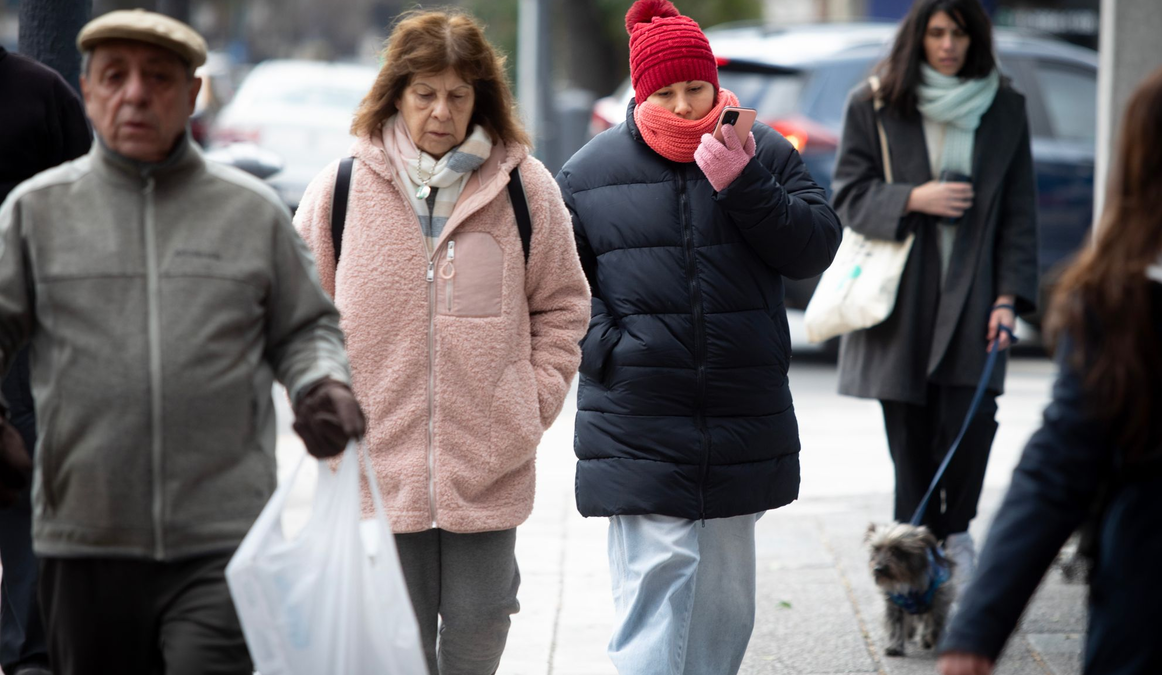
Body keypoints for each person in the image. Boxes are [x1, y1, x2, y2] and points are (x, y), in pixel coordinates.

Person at [0, 10, 365, 674]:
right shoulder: (35, 213)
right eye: (115, 77)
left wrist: (321, 382)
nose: (135, 94)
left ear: (193, 94)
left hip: (222, 542)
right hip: (85, 542)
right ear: (87, 91)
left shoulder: (250, 212)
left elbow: (306, 325)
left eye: (158, 78)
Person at [293, 9, 590, 674]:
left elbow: (565, 303)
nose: (440, 112)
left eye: (458, 95)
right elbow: (296, 312)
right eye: (424, 93)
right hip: (375, 461)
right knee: (394, 642)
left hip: (487, 458)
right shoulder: (339, 189)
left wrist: (532, 399)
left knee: (484, 619)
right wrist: (322, 398)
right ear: (395, 93)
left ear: (480, 99)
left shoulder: (525, 189)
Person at [556, 1, 841, 672]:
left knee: (723, 608)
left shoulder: (762, 148)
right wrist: (615, 350)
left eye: (697, 89)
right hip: (639, 417)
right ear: (640, 91)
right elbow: (560, 293)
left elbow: (813, 247)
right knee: (655, 592)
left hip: (740, 413)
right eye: (667, 92)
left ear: (716, 84)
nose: (685, 107)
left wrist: (744, 183)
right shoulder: (585, 174)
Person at [937, 58, 1162, 675]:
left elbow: (1059, 470)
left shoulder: (1124, 300)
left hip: (1159, 599)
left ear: (1143, 159)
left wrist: (975, 633)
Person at [831, 0, 1038, 579]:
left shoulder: (1004, 107)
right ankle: (913, 566)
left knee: (973, 422)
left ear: (977, 40)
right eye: (937, 33)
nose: (948, 45)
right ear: (918, 38)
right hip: (904, 297)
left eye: (960, 34)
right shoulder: (875, 103)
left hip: (975, 293)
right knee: (910, 436)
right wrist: (913, 198)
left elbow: (1020, 211)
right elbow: (847, 193)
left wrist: (1008, 297)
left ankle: (957, 534)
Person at [0, 43, 92, 675]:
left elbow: (90, 203)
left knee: (24, 484)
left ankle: (28, 652)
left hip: (26, 333)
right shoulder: (42, 90)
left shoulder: (42, 92)